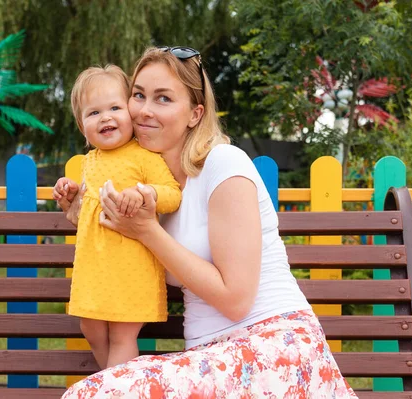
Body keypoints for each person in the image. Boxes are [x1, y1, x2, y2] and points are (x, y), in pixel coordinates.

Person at [53, 47, 358, 398]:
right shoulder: (153, 186)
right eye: (138, 95)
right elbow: (117, 247)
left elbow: (236, 300)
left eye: (163, 98)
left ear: (195, 114)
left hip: (273, 345)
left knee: (97, 394)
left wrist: (148, 231)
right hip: (211, 360)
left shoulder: (223, 164)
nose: (145, 109)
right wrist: (81, 210)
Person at [61, 64, 182, 370]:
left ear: (130, 112)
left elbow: (172, 193)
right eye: (94, 113)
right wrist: (71, 196)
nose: (106, 117)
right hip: (94, 270)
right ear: (81, 125)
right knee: (90, 329)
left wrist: (146, 194)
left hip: (132, 268)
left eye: (115, 107)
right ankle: (115, 384)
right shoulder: (89, 162)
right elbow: (85, 217)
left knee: (122, 336)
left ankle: (115, 390)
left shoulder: (143, 156)